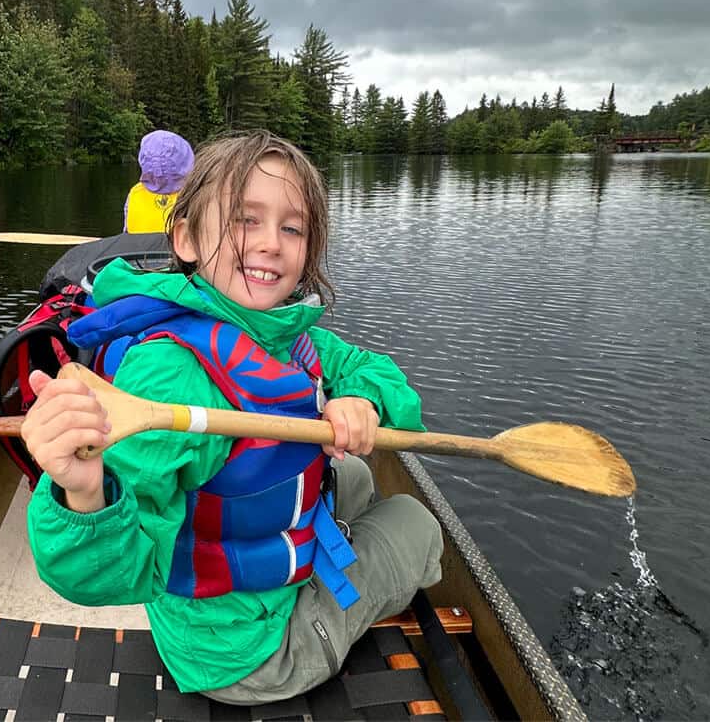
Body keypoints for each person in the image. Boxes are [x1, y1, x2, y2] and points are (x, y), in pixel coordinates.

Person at [23, 130, 443, 704]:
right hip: (246, 656)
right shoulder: (171, 376)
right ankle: (330, 598)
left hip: (241, 600)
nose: (271, 243)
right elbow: (104, 577)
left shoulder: (288, 335)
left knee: (361, 477)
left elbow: (382, 378)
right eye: (247, 220)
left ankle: (314, 550)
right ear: (188, 238)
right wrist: (85, 494)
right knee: (416, 525)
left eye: (292, 227)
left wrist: (361, 401)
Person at [124, 130, 194, 233]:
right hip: (173, 249)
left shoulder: (135, 193)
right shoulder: (192, 195)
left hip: (139, 248)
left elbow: (126, 232)